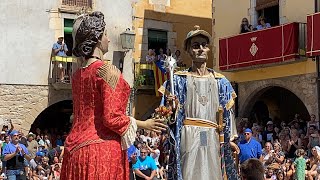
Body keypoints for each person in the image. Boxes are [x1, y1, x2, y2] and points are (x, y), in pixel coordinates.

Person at [60, 11, 166, 180]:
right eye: (106, 35)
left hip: (74, 151)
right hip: (100, 151)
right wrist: (144, 123)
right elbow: (112, 118)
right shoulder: (107, 71)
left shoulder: (77, 76)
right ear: (96, 39)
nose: (108, 39)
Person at [161, 25, 238, 180]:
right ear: (189, 51)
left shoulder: (221, 82)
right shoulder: (177, 81)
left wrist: (230, 140)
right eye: (196, 46)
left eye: (204, 45)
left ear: (209, 50)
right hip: (188, 135)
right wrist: (172, 109)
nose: (201, 49)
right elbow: (166, 117)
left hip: (213, 136)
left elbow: (228, 117)